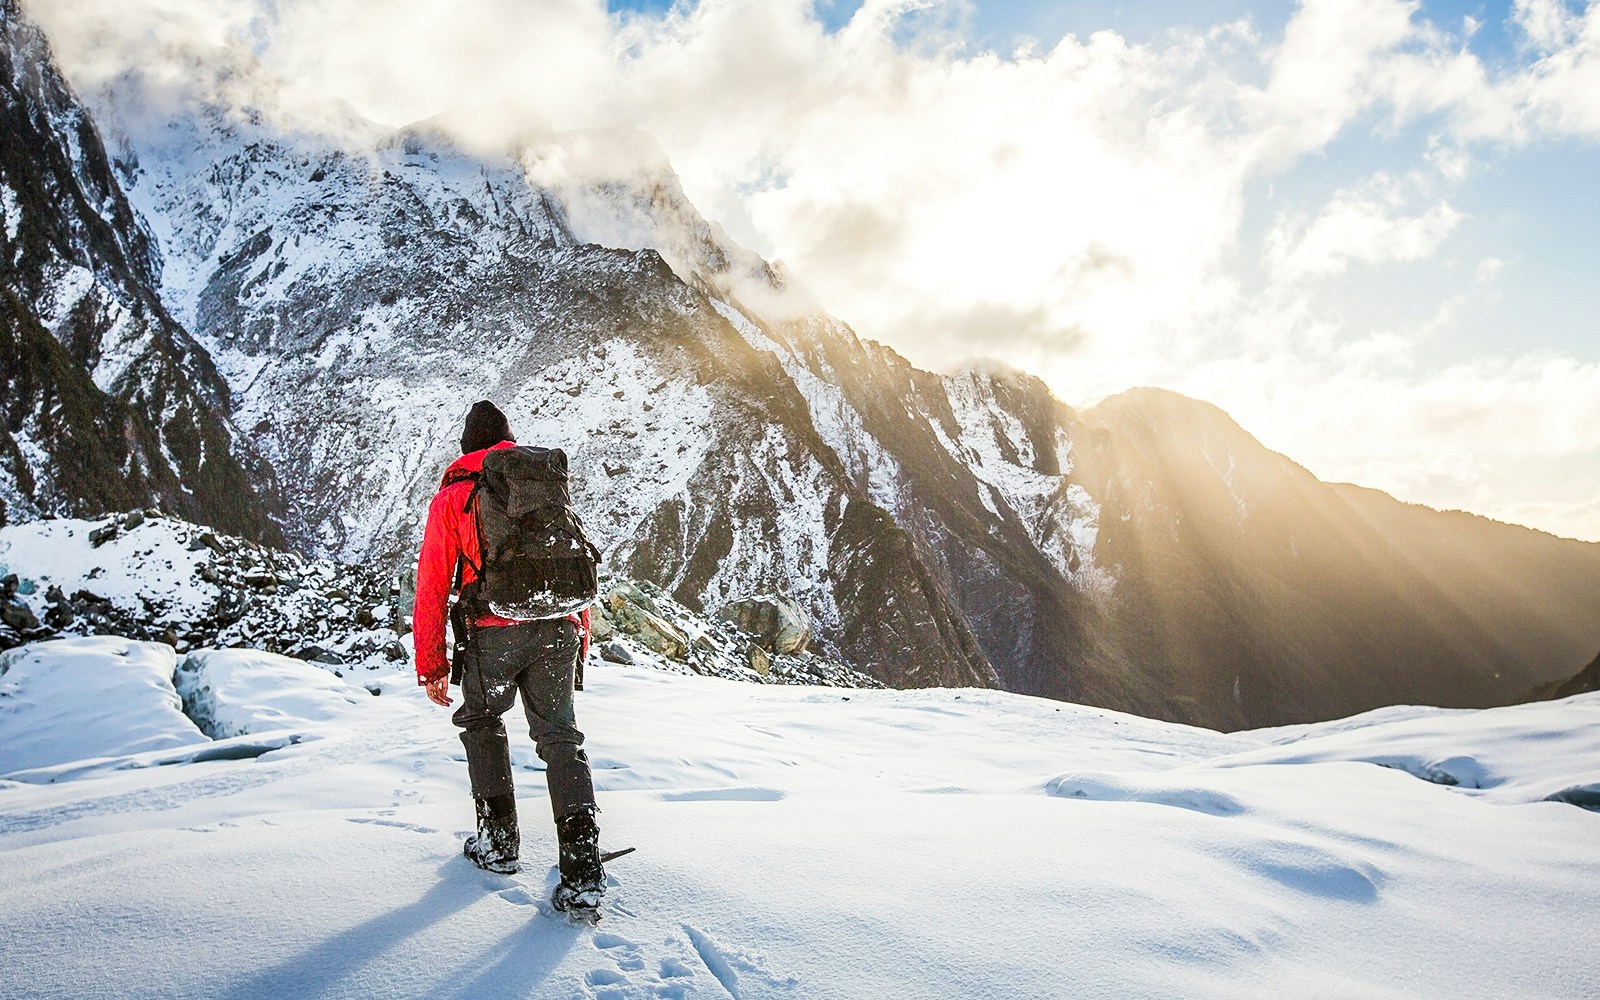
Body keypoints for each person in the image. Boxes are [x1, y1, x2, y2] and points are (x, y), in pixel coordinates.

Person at [413, 400, 605, 912]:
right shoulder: (542, 489)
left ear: (466, 449)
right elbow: (565, 563)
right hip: (559, 627)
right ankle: (583, 868)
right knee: (561, 737)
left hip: (493, 634)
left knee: (481, 719)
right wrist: (580, 636)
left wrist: (431, 666)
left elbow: (431, 586)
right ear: (508, 441)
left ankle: (498, 843)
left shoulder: (455, 496)